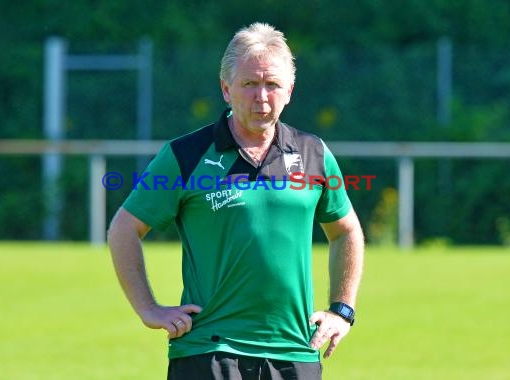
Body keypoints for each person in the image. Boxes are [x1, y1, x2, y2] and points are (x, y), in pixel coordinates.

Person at [107, 22, 364, 380]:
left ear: (289, 90)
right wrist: (148, 308)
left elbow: (346, 230)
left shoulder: (314, 154)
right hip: (209, 352)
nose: (261, 96)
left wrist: (342, 310)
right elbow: (124, 228)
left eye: (272, 84)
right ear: (226, 89)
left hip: (295, 352)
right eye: (249, 84)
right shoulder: (186, 155)